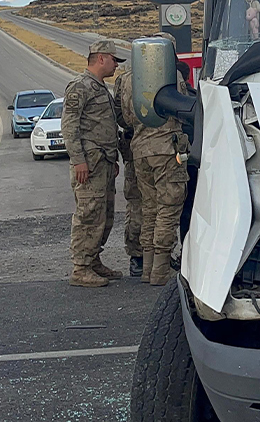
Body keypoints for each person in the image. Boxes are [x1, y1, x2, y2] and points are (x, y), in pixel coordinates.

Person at [120, 33, 191, 286]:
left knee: (149, 210)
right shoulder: (172, 77)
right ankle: (160, 270)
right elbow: (182, 110)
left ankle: (148, 267)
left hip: (140, 149)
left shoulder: (127, 79)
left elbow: (126, 117)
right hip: (166, 147)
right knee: (168, 208)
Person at [61, 39, 127, 288]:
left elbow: (105, 126)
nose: (115, 66)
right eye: (113, 60)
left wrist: (114, 158)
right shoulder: (80, 87)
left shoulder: (100, 88)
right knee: (88, 215)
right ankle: (81, 268)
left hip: (104, 163)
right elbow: (69, 127)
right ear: (101, 58)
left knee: (104, 216)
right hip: (89, 164)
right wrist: (78, 160)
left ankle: (93, 260)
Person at [113, 60, 145, 278]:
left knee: (138, 203)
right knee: (148, 204)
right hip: (148, 146)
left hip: (135, 146)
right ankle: (143, 256)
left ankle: (140, 257)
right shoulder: (169, 75)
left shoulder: (124, 79)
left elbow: (118, 114)